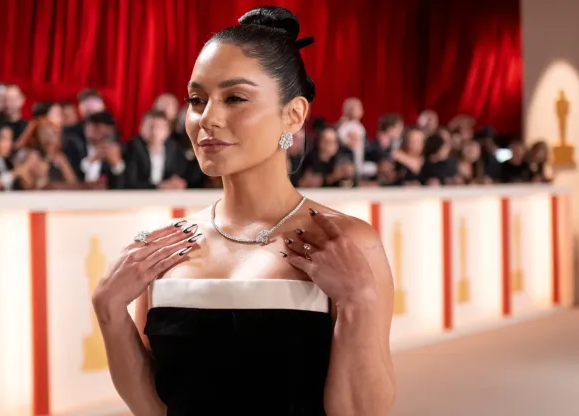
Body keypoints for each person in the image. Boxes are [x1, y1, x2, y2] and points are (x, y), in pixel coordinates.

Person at [92, 6, 395, 416]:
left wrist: (359, 301)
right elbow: (154, 408)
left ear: (293, 114)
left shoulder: (344, 242)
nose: (207, 118)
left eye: (235, 98)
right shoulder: (170, 248)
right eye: (196, 99)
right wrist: (109, 312)